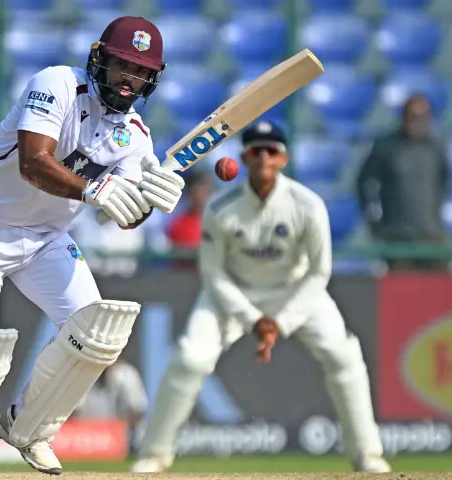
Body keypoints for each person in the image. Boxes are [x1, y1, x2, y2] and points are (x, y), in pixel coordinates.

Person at [0, 16, 185, 480]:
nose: (127, 81)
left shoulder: (135, 137)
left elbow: (125, 215)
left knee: (98, 332)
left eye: (139, 72)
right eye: (120, 67)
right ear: (99, 60)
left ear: (152, 79)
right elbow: (33, 164)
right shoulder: (57, 85)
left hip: (46, 235)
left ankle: (28, 428)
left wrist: (151, 199)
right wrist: (94, 189)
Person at [130, 121, 390, 474]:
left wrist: (280, 321)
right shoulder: (221, 208)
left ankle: (368, 454)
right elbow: (213, 274)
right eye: (256, 150)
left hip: (295, 294)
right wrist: (254, 319)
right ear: (243, 157)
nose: (264, 157)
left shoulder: (307, 205)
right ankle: (154, 455)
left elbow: (318, 273)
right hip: (233, 296)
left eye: (272, 150)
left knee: (343, 354)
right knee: (189, 359)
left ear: (284, 158)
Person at [356, 94, 451, 272]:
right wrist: (373, 222)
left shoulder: (435, 148)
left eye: (424, 117)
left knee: (442, 291)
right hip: (398, 239)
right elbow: (363, 183)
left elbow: (443, 183)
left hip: (431, 236)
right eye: (414, 117)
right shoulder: (387, 147)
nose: (419, 122)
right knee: (403, 294)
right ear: (404, 117)